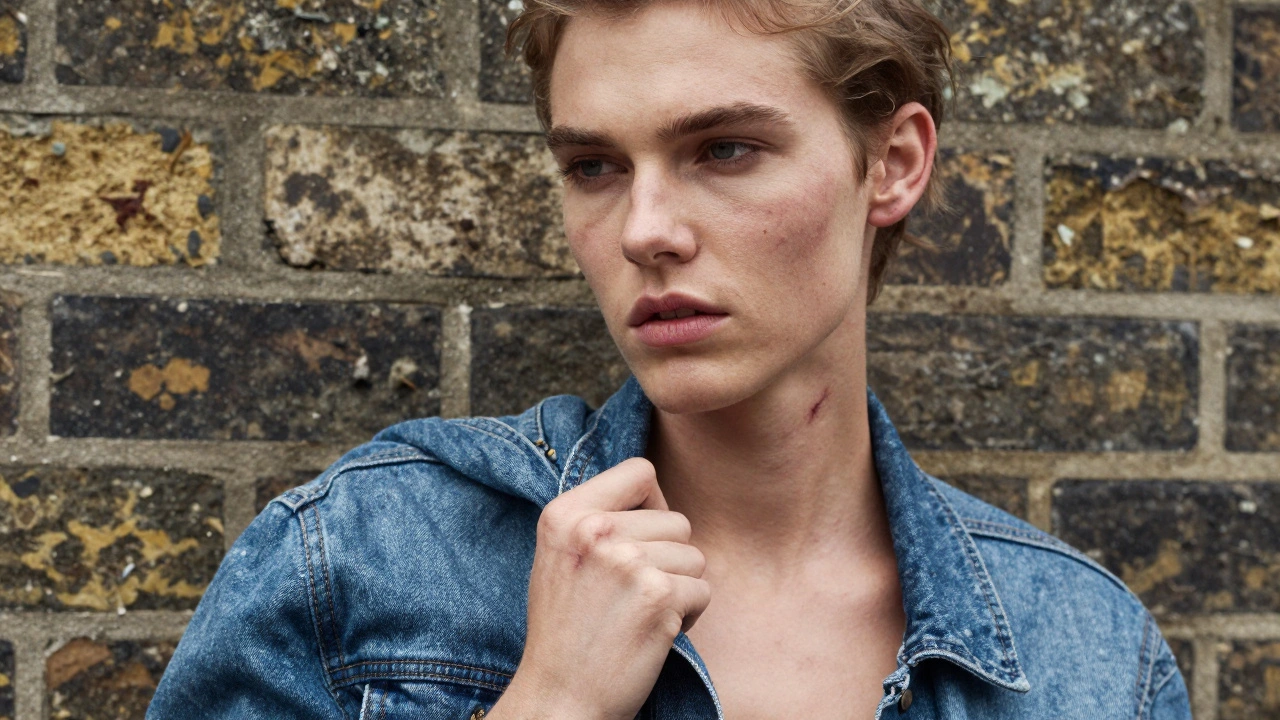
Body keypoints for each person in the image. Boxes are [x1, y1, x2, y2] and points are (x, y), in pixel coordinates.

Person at [148, 1, 1192, 718]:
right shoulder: (360, 562)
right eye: (595, 165)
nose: (646, 228)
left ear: (892, 164)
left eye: (723, 149)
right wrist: (550, 702)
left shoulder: (1084, 657)